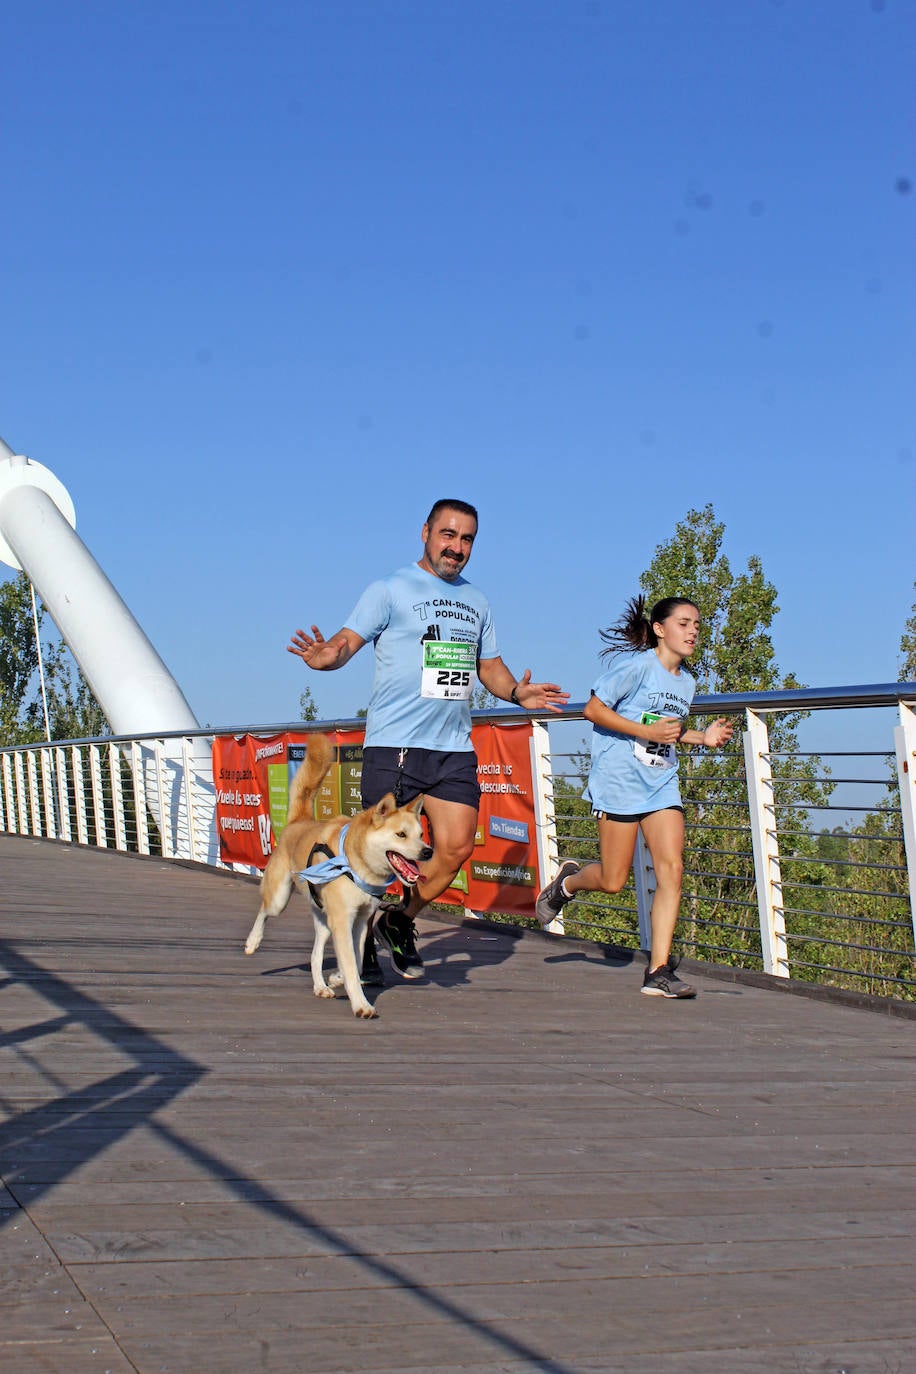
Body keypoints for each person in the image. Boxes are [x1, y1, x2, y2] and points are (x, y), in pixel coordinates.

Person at [288, 498, 569, 984]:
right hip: (395, 744)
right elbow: (345, 642)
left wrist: (518, 692)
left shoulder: (477, 601)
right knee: (371, 852)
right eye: (448, 535)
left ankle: (398, 919)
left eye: (466, 540)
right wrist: (324, 658)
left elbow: (489, 667)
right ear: (426, 532)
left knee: (457, 848)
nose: (456, 548)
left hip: (453, 747)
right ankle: (360, 945)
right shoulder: (390, 589)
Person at [534, 594, 733, 999]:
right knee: (612, 880)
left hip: (661, 785)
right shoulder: (637, 669)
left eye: (697, 623)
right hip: (620, 784)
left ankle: (658, 970)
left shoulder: (687, 682)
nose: (693, 630)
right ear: (660, 630)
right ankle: (566, 885)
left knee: (672, 870)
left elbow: (667, 730)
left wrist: (703, 737)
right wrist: (644, 733)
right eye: (683, 623)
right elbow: (593, 710)